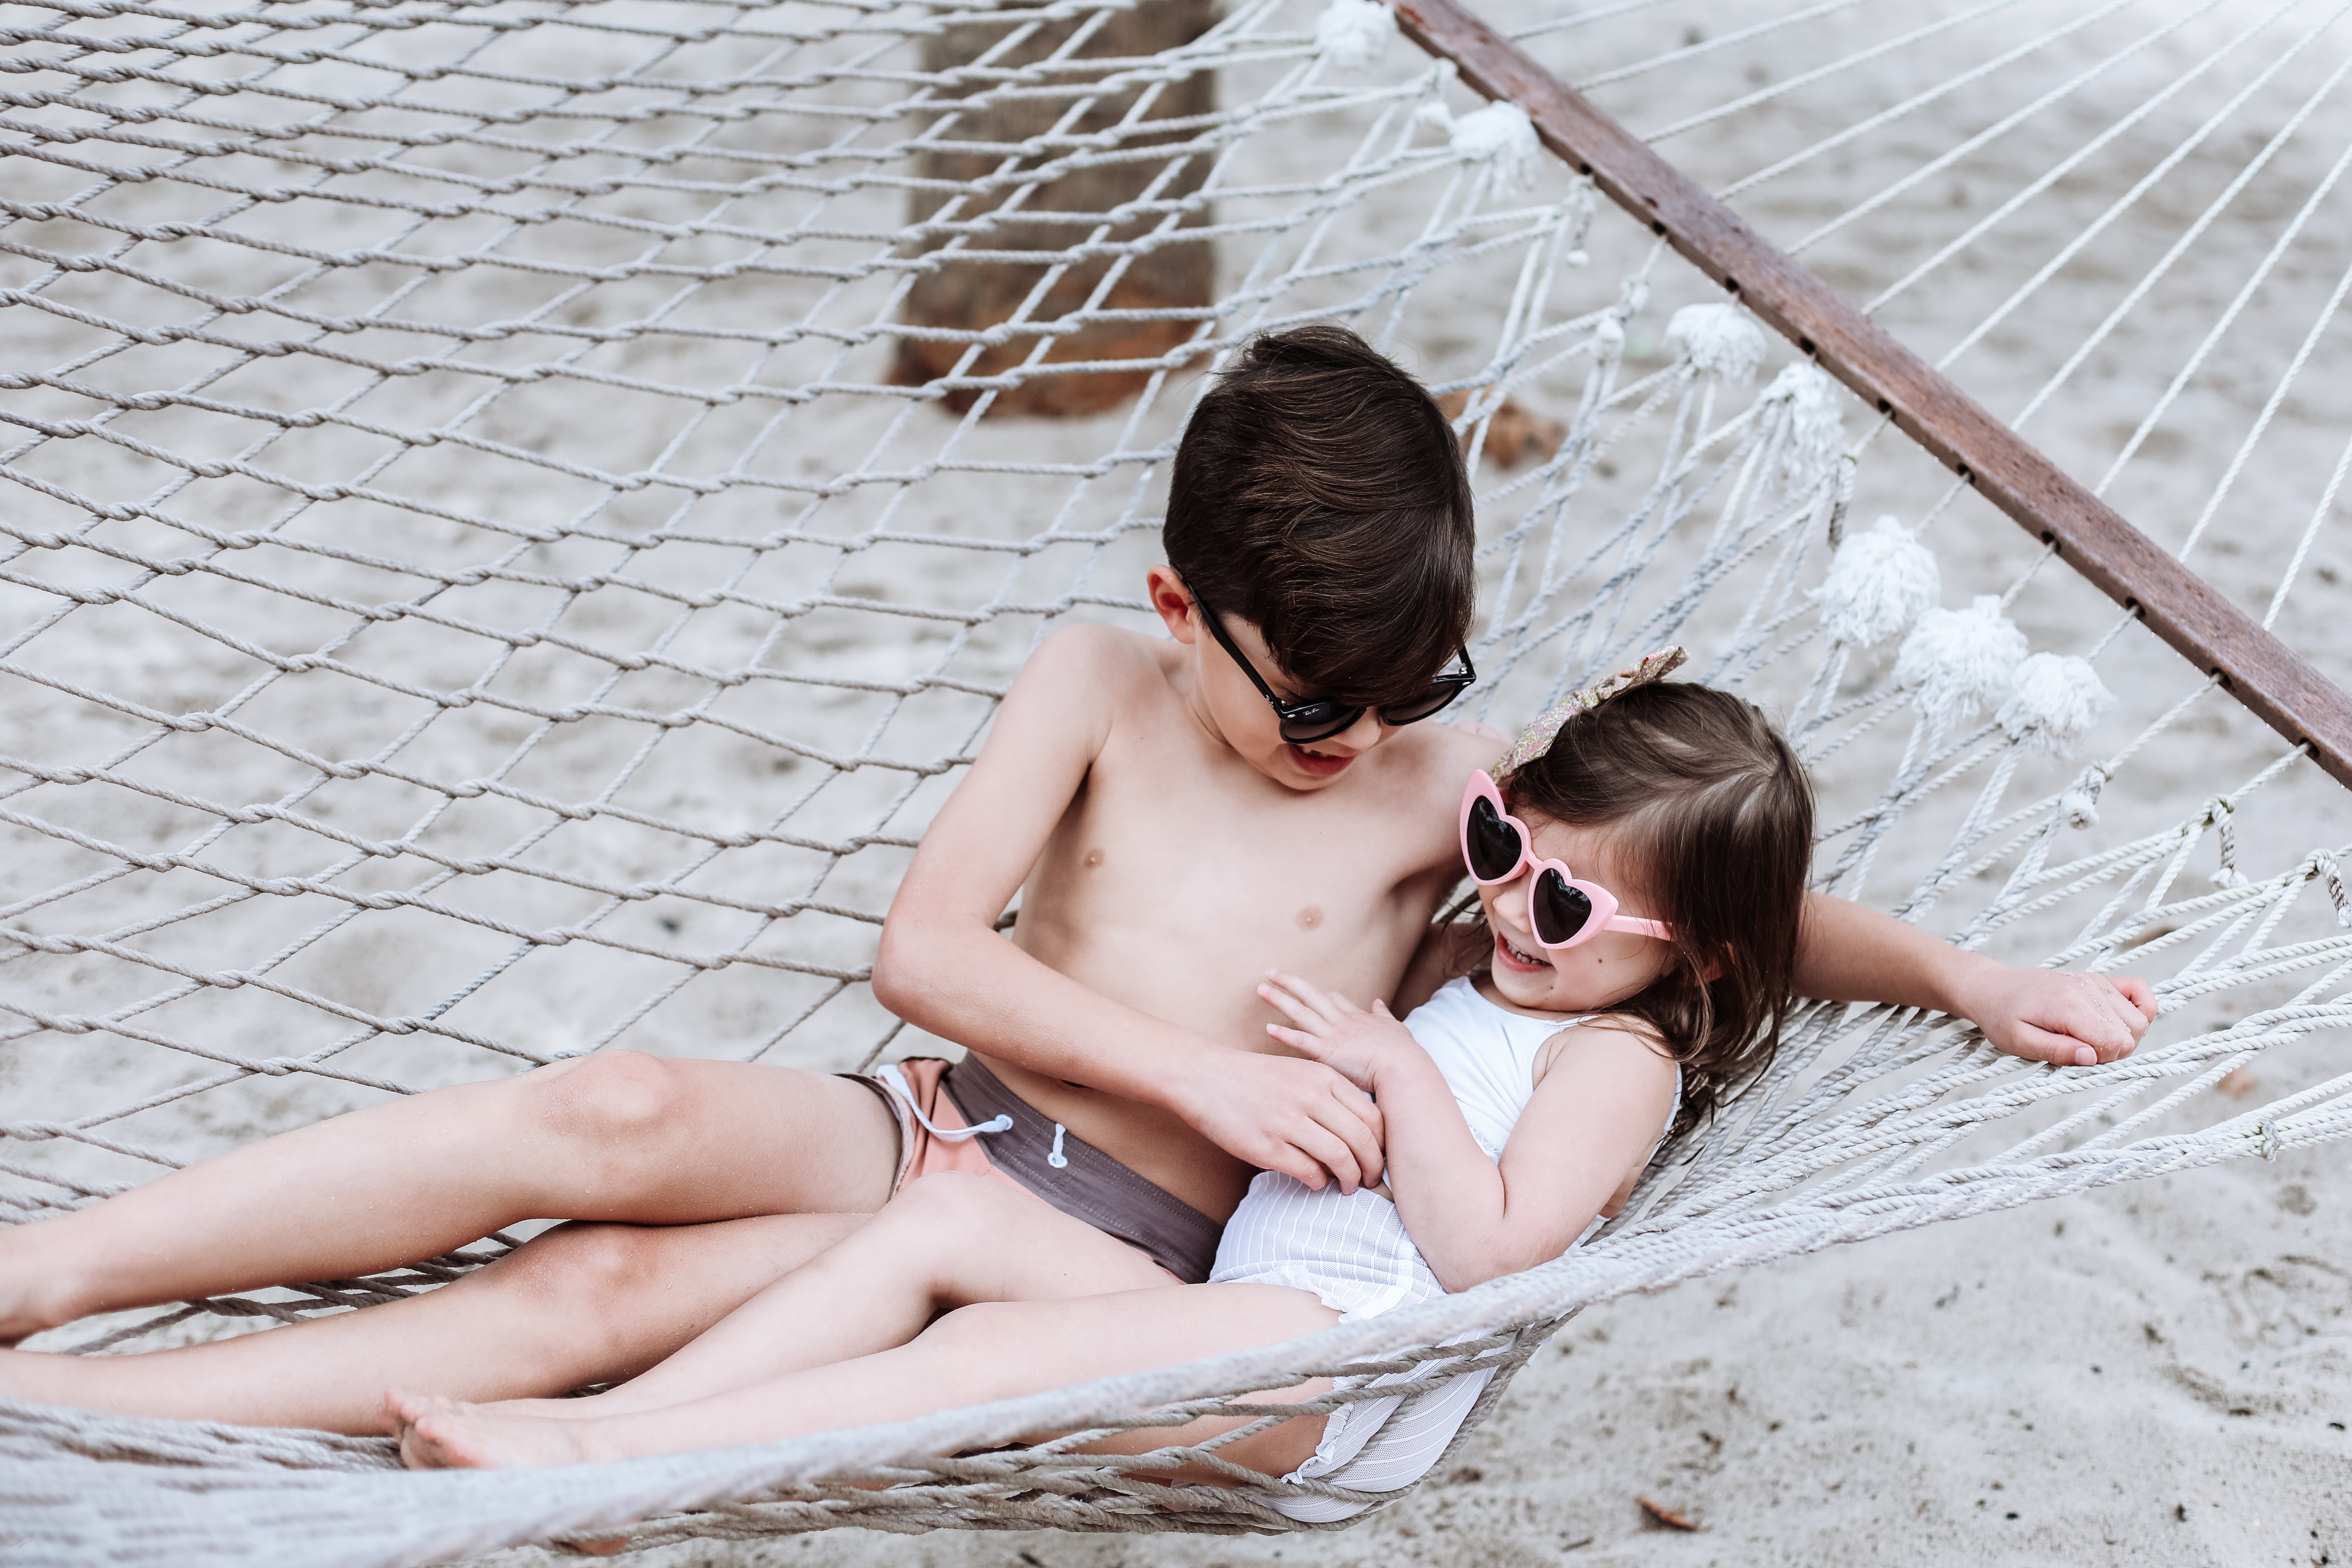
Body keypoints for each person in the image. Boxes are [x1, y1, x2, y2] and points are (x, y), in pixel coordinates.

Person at [0, 329, 2155, 1433]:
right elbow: (922, 952)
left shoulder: (1453, 796)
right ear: (1174, 605)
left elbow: (1701, 894)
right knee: (618, 1107)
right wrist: (1202, 1077)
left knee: (582, 1304)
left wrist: (1958, 966)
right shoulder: (1096, 687)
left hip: (1079, 1250)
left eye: (1401, 695)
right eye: (1304, 697)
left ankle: (87, 1420)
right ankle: (46, 1270)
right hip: (921, 1123)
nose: (1350, 742)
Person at [384, 669, 1812, 1527]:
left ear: (1697, 953)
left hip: (1334, 1374)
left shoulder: (1612, 1061)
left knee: (985, 1350)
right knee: (939, 1223)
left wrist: (1390, 1070)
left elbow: (1496, 1255)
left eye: (1560, 899)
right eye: (1499, 840)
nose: (1506, 899)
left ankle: (620, 1462)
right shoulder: (1495, 973)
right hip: (1254, 1320)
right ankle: (614, 1438)